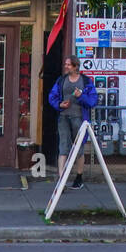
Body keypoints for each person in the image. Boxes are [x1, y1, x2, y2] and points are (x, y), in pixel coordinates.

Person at [49, 56, 98, 188]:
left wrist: (80, 96)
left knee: (79, 149)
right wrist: (59, 104)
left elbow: (93, 101)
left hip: (79, 118)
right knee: (63, 147)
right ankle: (61, 180)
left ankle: (79, 176)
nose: (66, 67)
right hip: (64, 117)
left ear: (76, 66)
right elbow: (52, 96)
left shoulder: (86, 81)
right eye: (66, 64)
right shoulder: (61, 80)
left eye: (69, 65)